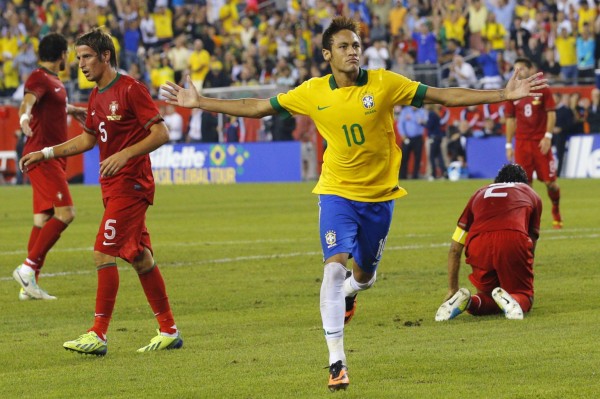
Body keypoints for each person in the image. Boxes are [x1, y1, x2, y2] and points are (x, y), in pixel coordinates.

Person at [160, 16, 547, 392]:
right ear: (327, 54)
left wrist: (503, 94)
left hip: (378, 199)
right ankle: (337, 361)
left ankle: (352, 292)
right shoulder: (312, 91)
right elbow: (259, 106)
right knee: (332, 269)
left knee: (364, 278)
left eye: (356, 45)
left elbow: (443, 97)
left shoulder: (384, 84)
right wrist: (201, 102)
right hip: (336, 193)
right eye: (344, 46)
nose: (353, 52)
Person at [19, 28, 182, 356]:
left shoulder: (130, 88)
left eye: (87, 57)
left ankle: (98, 333)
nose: (80, 64)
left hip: (131, 185)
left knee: (102, 252)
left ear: (105, 56)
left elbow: (161, 132)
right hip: (112, 187)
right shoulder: (96, 96)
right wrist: (46, 151)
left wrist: (125, 153)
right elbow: (88, 140)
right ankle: (168, 330)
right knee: (140, 257)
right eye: (78, 57)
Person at [12, 33, 87, 301]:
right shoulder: (38, 77)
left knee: (42, 220)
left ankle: (29, 285)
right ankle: (28, 269)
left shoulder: (54, 82)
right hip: (42, 157)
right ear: (61, 54)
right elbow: (28, 102)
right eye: (69, 53)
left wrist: (71, 109)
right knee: (66, 213)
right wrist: (23, 118)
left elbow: (49, 105)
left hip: (51, 157)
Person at [434, 163, 542, 321]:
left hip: (478, 243)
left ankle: (468, 301)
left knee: (486, 296)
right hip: (512, 238)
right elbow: (530, 245)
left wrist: (452, 288)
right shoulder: (531, 193)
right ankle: (515, 299)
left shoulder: (479, 193)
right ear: (524, 183)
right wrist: (522, 276)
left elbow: (455, 248)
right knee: (524, 295)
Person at [504, 57, 562, 228]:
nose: (518, 72)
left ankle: (556, 209)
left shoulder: (542, 89)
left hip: (540, 143)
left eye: (521, 68)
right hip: (522, 143)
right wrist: (509, 144)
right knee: (525, 185)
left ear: (530, 69)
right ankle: (529, 220)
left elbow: (551, 113)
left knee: (550, 183)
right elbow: (510, 120)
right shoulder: (512, 92)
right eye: (515, 69)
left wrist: (548, 136)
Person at [398, 105, 428, 179]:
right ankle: (403, 176)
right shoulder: (405, 111)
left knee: (417, 158)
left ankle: (415, 176)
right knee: (404, 157)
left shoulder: (422, 111)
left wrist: (422, 121)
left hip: (418, 138)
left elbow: (426, 122)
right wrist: (403, 135)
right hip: (407, 137)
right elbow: (400, 124)